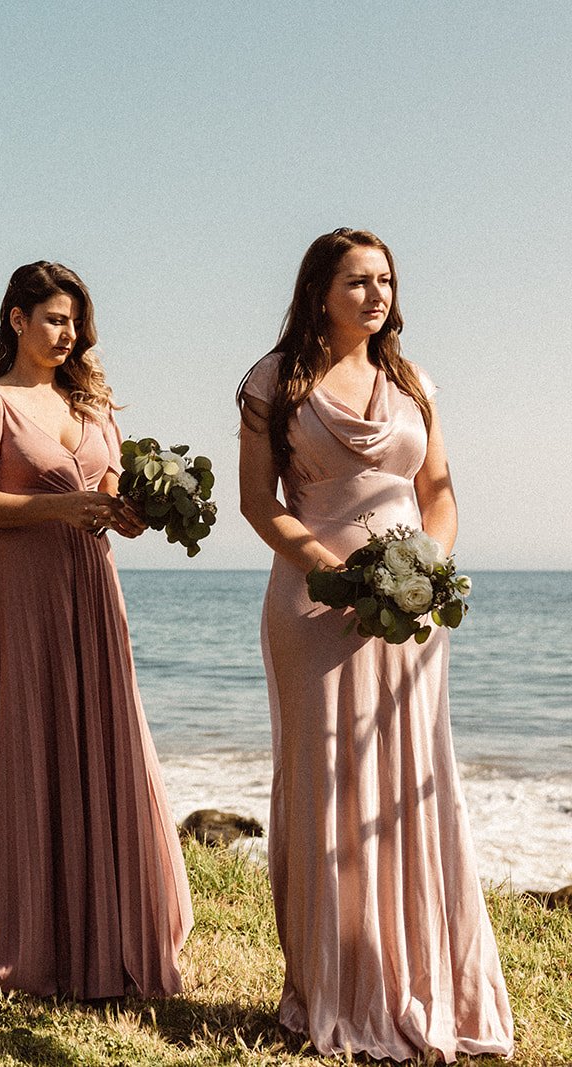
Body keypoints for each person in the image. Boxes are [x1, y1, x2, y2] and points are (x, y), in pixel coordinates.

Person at [236, 229, 513, 1060]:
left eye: (386, 280)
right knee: (325, 787)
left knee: (413, 783)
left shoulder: (412, 380)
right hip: (312, 605)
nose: (377, 294)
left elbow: (439, 490)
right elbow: (258, 503)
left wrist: (425, 568)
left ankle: (422, 981)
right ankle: (333, 984)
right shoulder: (272, 380)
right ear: (319, 289)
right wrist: (337, 571)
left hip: (410, 611)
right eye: (358, 281)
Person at [0, 261, 191, 998]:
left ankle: (105, 929)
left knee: (102, 732)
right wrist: (60, 508)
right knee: (29, 736)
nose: (67, 333)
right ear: (16, 319)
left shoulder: (93, 405)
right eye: (53, 318)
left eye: (74, 321)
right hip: (23, 588)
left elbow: (107, 497)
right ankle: (24, 934)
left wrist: (131, 513)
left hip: (92, 584)